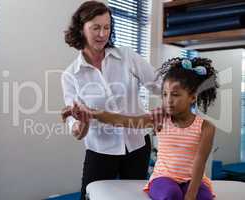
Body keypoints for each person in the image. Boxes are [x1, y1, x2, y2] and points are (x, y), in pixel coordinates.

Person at [63, 57, 218, 200]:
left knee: (203, 197)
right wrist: (92, 113)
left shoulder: (206, 126)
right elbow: (122, 120)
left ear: (193, 96)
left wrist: (191, 194)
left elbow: (200, 162)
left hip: (192, 178)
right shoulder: (160, 119)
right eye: (164, 94)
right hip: (164, 178)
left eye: (176, 95)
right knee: (171, 194)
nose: (169, 100)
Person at [61, 1, 160, 199]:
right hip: (100, 150)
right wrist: (82, 122)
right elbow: (76, 131)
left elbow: (159, 85)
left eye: (107, 27)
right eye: (96, 27)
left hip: (137, 146)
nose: (102, 34)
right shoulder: (71, 75)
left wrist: (172, 102)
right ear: (81, 29)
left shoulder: (127, 57)